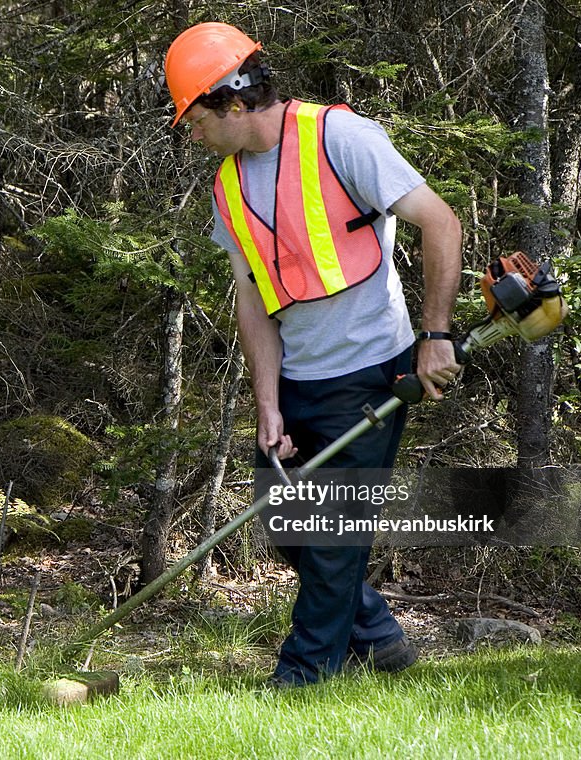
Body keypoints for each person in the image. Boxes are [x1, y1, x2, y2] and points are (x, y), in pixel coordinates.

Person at [164, 22, 463, 687]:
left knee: (330, 541)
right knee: (288, 525)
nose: (193, 132)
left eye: (195, 116)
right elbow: (253, 299)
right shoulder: (229, 186)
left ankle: (301, 682)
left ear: (233, 102)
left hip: (369, 372)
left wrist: (435, 336)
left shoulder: (341, 139)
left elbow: (442, 222)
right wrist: (267, 404)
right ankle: (381, 641)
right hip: (297, 380)